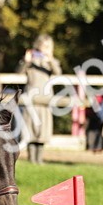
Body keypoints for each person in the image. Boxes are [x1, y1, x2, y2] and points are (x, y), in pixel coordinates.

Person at [16, 34, 63, 164]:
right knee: (30, 130)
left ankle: (39, 159)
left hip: (45, 100)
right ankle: (32, 159)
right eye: (43, 46)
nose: (45, 48)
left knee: (43, 131)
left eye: (48, 46)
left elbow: (58, 73)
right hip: (31, 99)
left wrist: (51, 59)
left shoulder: (50, 62)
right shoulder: (31, 60)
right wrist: (26, 61)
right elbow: (18, 74)